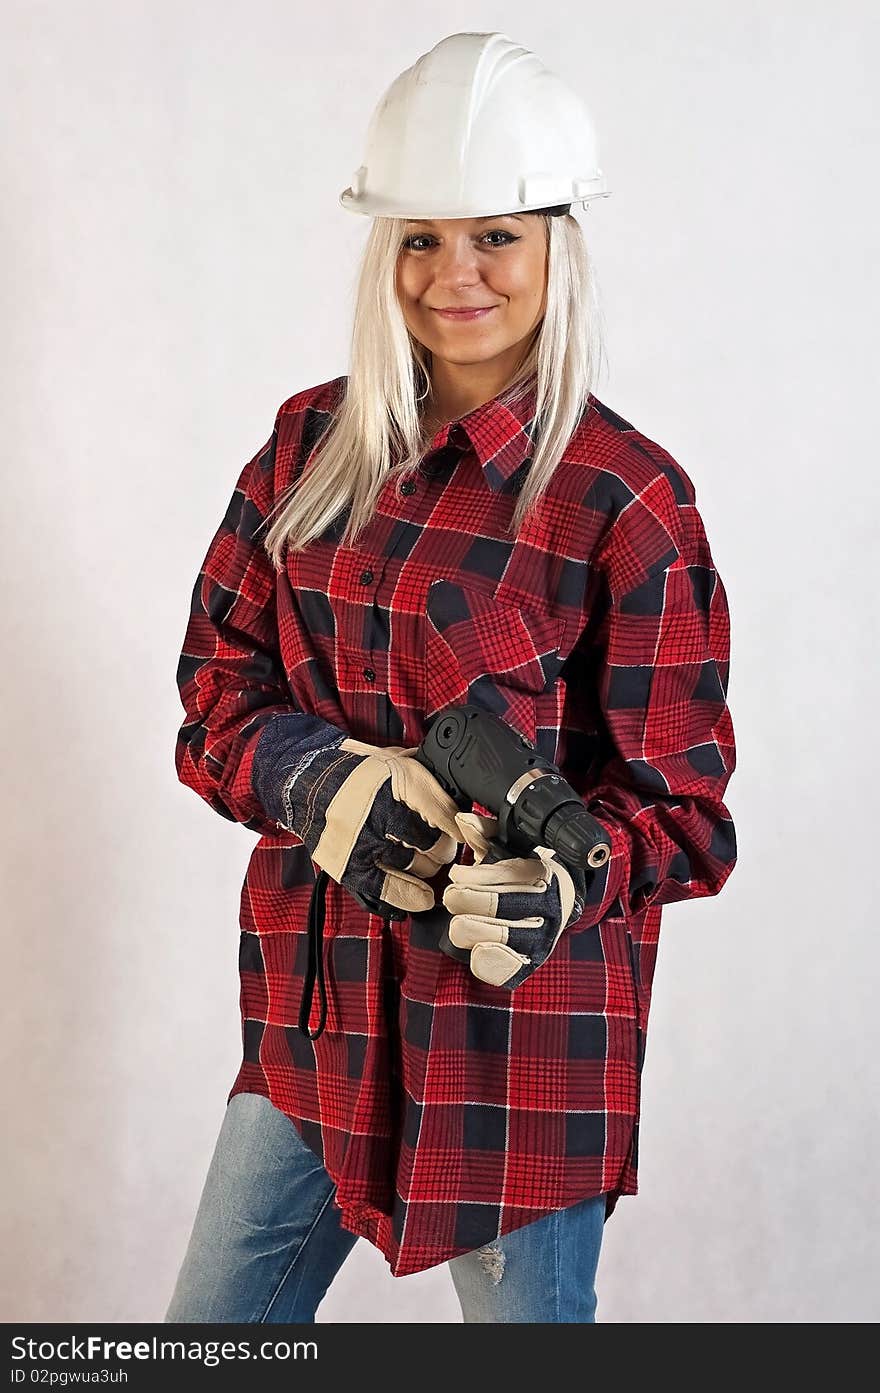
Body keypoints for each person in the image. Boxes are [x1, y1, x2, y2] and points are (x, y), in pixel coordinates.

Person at [165, 31, 738, 1325]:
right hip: (315, 1041)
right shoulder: (308, 449)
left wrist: (565, 878)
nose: (453, 274)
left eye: (496, 237)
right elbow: (215, 695)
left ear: (556, 249)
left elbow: (688, 815)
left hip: (517, 1071)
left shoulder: (628, 502)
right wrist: (326, 782)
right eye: (421, 237)